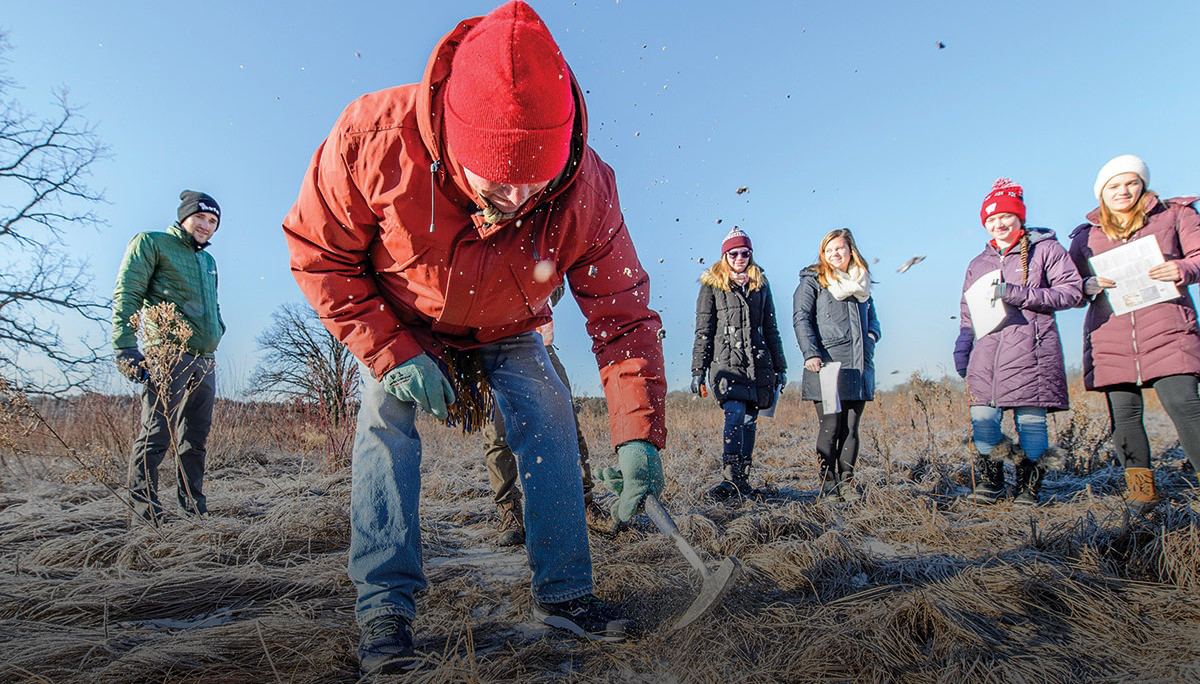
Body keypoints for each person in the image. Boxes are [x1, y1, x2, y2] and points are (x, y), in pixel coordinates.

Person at [281, 2, 666, 675]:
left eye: (533, 182)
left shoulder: (588, 189)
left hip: (509, 325)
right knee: (383, 420)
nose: (516, 198)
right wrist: (392, 353)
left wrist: (638, 437)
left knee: (546, 407)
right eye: (498, 181)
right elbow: (320, 255)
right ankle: (385, 613)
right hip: (403, 319)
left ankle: (567, 593)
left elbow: (622, 316)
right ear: (454, 143)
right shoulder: (372, 138)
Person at [1068, 155, 1200, 514]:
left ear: (1143, 185)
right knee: (1124, 414)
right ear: (1101, 193)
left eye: (1131, 183)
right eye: (1113, 186)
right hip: (1110, 334)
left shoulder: (1175, 215)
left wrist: (1182, 267)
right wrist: (1087, 285)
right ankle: (1142, 496)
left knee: (1185, 405)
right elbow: (1070, 287)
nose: (1123, 191)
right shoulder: (1085, 237)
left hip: (1168, 326)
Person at [953, 179, 1081, 506]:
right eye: (991, 219)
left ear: (1020, 216)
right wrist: (963, 347)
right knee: (983, 420)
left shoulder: (1047, 250)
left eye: (1005, 216)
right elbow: (967, 311)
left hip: (1031, 351)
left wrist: (1018, 294)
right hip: (987, 354)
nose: (999, 224)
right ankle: (991, 483)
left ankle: (1028, 489)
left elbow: (1072, 292)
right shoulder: (977, 263)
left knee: (1031, 422)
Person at [111, 190, 225, 523]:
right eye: (201, 217)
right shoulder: (152, 243)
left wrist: (218, 327)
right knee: (157, 434)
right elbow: (127, 292)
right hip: (168, 355)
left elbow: (213, 305)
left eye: (213, 221)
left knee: (195, 440)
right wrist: (125, 347)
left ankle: (194, 511)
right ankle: (146, 516)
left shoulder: (208, 262)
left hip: (205, 360)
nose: (206, 226)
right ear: (184, 216)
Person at [483, 286, 604, 546]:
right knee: (496, 433)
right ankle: (509, 511)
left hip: (537, 343)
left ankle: (583, 502)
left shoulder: (536, 245)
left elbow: (556, 282)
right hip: (486, 343)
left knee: (567, 424)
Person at [690, 227, 787, 500]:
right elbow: (704, 330)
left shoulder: (760, 285)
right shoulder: (712, 287)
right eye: (734, 253)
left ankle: (742, 479)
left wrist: (781, 367)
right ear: (725, 256)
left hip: (758, 366)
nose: (740, 258)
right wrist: (698, 370)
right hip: (727, 366)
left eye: (745, 253)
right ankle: (729, 477)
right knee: (734, 415)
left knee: (748, 421)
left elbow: (771, 329)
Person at [793, 229, 880, 503]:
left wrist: (872, 336)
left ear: (850, 250)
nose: (834, 254)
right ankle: (828, 483)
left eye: (839, 249)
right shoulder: (814, 282)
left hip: (859, 365)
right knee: (831, 426)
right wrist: (811, 354)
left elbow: (873, 318)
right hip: (828, 366)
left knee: (851, 428)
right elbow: (801, 319)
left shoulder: (861, 283)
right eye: (828, 250)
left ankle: (848, 483)